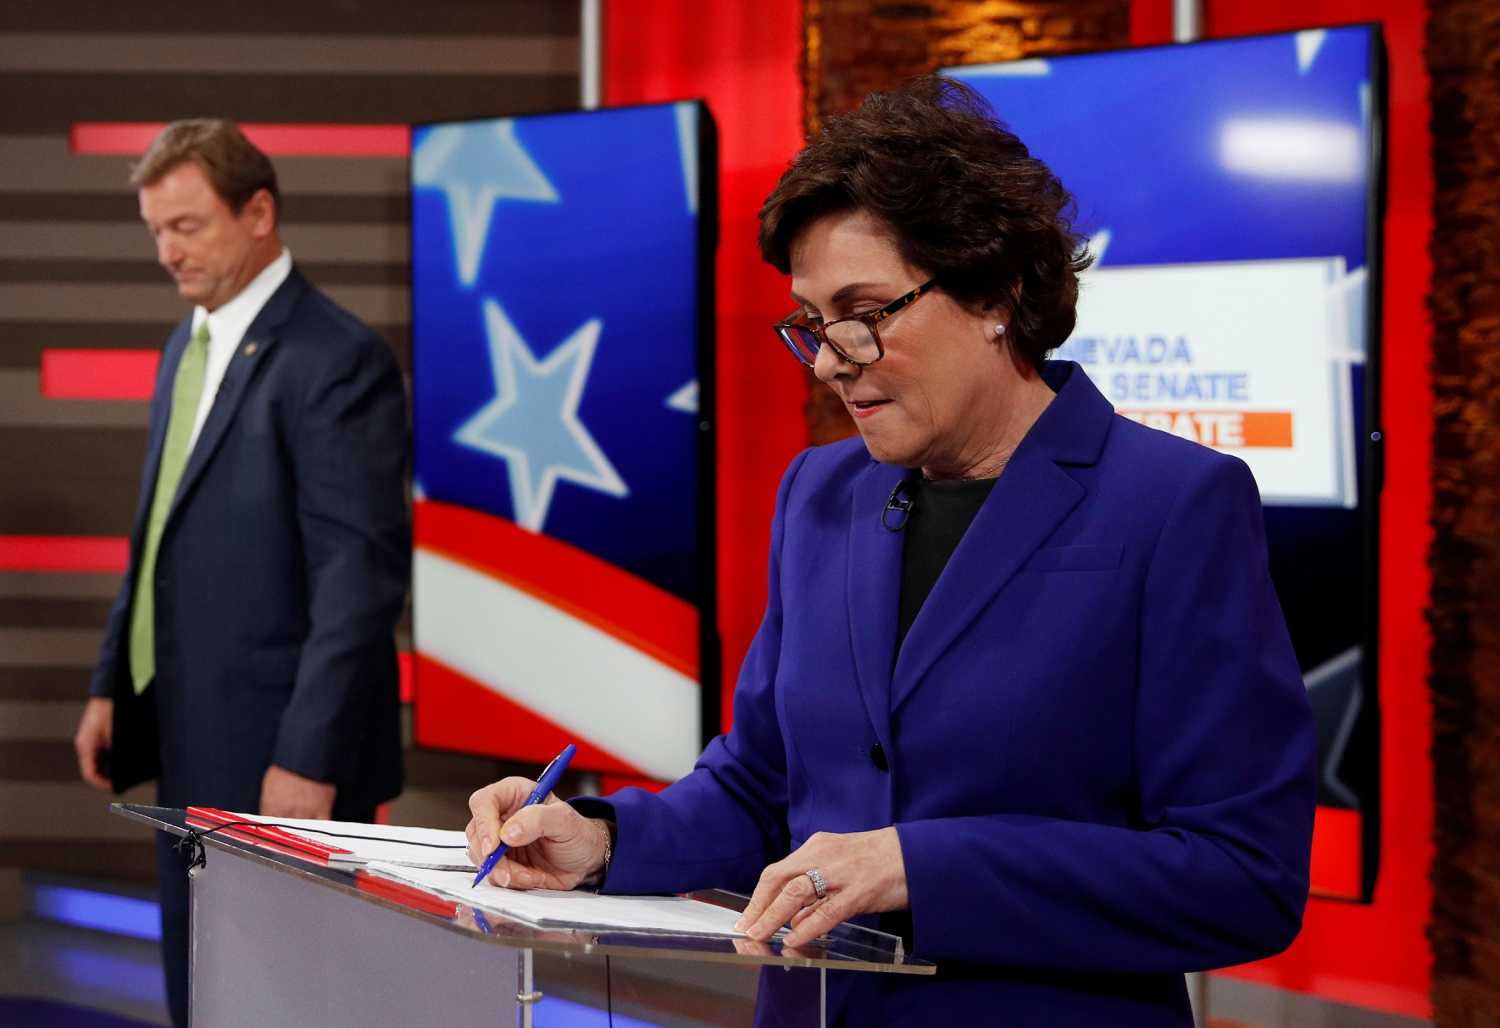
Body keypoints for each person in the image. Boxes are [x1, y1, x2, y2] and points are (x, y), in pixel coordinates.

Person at [464, 77, 1316, 1025]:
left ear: (998, 291)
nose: (831, 356)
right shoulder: (818, 493)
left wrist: (919, 865)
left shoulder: (1175, 505)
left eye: (865, 310)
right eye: (812, 322)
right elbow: (763, 784)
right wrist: (605, 841)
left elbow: (1243, 876)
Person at [71, 120, 409, 1027]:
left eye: (186, 226)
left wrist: (307, 756)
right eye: (155, 231)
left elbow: (359, 578)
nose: (166, 252)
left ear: (259, 212)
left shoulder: (337, 359)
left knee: (290, 991)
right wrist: (113, 679)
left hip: (283, 750)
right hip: (186, 721)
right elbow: (156, 536)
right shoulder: (187, 344)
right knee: (204, 977)